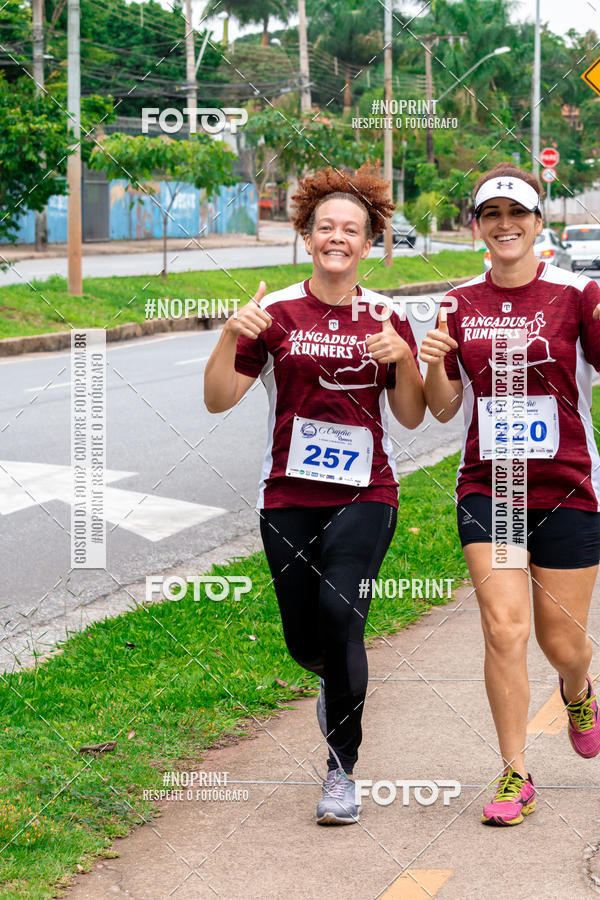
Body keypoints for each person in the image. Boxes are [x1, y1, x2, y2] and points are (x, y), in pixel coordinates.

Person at [204, 165, 425, 825]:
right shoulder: (273, 315)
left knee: (341, 613)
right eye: (325, 226)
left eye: (350, 229)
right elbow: (218, 399)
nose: (337, 238)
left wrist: (404, 361)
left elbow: (412, 417)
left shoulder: (388, 316)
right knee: (306, 642)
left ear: (368, 241)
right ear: (305, 235)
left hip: (367, 494)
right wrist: (228, 335)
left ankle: (341, 772)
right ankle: (333, 679)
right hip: (289, 498)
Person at [420, 162, 600, 826]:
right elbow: (441, 409)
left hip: (568, 487)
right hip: (489, 488)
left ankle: (579, 690)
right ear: (476, 227)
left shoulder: (578, 295)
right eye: (491, 214)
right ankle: (514, 772)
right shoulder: (456, 304)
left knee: (563, 643)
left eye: (516, 213)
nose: (504, 225)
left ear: (538, 222)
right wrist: (433, 360)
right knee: (504, 628)